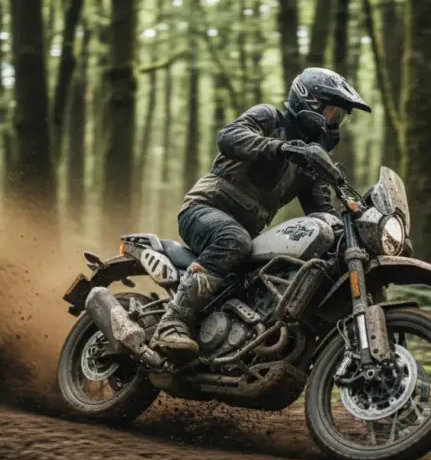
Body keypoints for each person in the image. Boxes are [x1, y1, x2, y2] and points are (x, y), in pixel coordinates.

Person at [150, 67, 371, 356]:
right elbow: (229, 137)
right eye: (331, 112)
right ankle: (172, 322)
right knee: (233, 239)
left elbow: (323, 213)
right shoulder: (269, 118)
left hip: (247, 236)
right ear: (310, 102)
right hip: (204, 209)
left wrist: (355, 223)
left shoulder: (309, 162)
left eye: (339, 116)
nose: (333, 122)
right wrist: (282, 149)